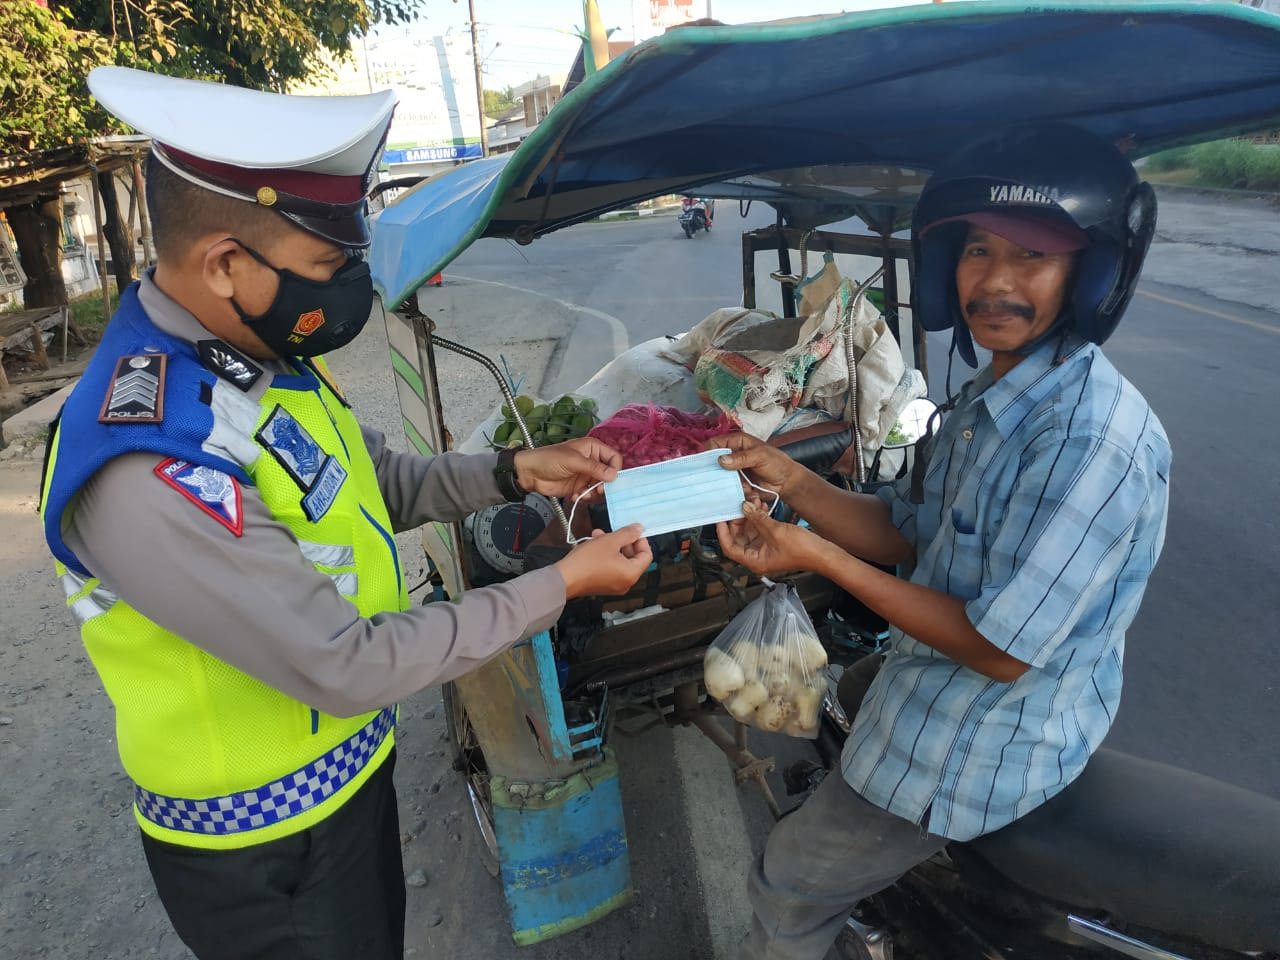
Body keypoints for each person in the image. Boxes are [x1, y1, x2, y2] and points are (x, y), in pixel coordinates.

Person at [38, 67, 652, 960]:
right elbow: (345, 663)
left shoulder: (255, 354)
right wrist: (561, 584)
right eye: (329, 268)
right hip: (265, 852)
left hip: (342, 787)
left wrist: (516, 469)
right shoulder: (149, 457)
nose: (348, 288)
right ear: (225, 265)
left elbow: (372, 483)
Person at [713, 123, 1171, 960]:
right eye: (977, 250)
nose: (995, 280)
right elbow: (904, 532)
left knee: (785, 881)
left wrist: (816, 556)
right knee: (850, 689)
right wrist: (792, 481)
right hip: (943, 680)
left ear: (1091, 274)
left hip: (983, 740)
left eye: (1032, 256)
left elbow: (999, 651)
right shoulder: (991, 401)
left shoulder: (1087, 441)